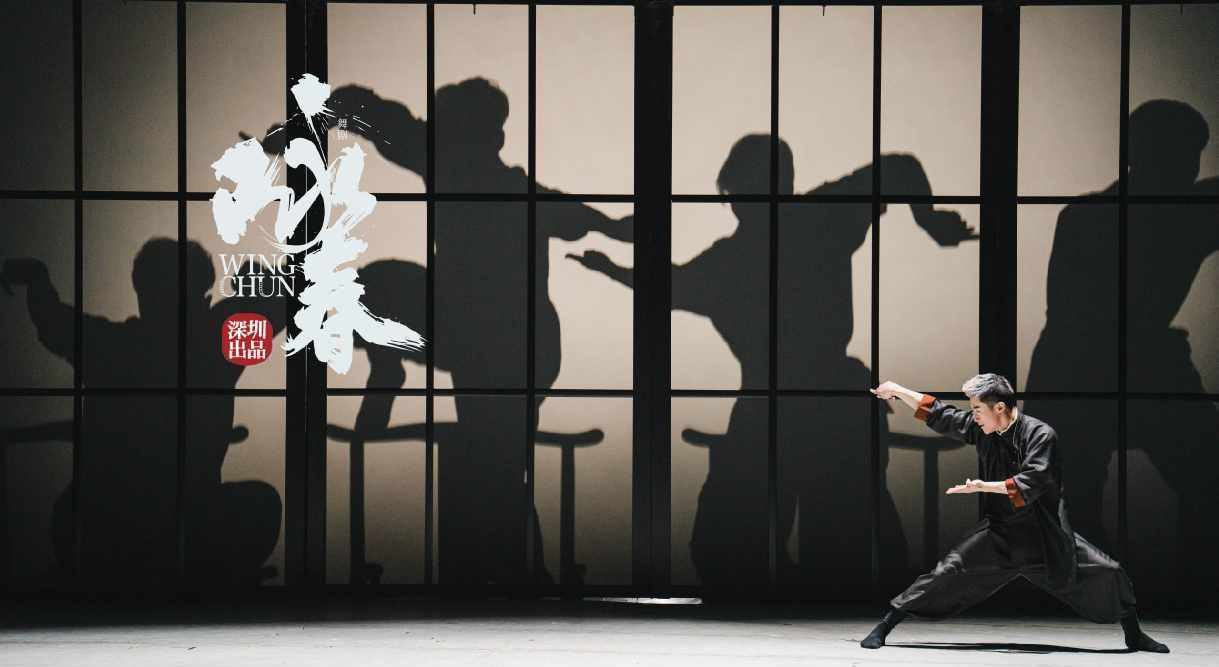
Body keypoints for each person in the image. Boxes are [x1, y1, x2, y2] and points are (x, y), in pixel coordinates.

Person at [256, 77, 632, 584]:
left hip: (510, 345)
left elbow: (376, 114)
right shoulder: (471, 170)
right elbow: (375, 111)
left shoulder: (484, 176)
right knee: (376, 287)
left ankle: (516, 570)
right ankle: (518, 569)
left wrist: (302, 129)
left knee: (495, 462)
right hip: (477, 334)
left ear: (488, 136)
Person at [572, 134, 974, 587]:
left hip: (778, 406)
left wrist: (613, 270)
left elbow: (669, 285)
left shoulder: (733, 260)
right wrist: (928, 219)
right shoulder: (818, 218)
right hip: (831, 403)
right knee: (843, 548)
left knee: (745, 546)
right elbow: (898, 168)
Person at [1, 239, 284, 586]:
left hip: (101, 532)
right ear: (203, 296)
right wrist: (257, 284)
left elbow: (51, 320)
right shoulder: (217, 342)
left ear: (141, 291)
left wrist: (38, 279)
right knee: (262, 503)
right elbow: (287, 303)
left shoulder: (109, 345)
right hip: (188, 526)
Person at [1024, 99, 1219, 596]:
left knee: (1071, 494)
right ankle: (1184, 589)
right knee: (1200, 472)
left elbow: (1065, 312)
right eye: (1181, 154)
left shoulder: (1085, 216)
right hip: (1121, 359)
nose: (1187, 167)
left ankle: (1101, 592)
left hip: (1078, 362)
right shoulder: (1188, 217)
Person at [863, 374, 1168, 653]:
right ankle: (885, 627)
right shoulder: (983, 429)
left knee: (1110, 572)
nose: (973, 415)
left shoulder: (1041, 435)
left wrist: (984, 486)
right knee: (944, 574)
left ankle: (1134, 634)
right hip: (1001, 535)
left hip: (1045, 537)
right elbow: (941, 414)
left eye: (977, 409)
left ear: (999, 407)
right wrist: (898, 389)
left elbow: (1034, 479)